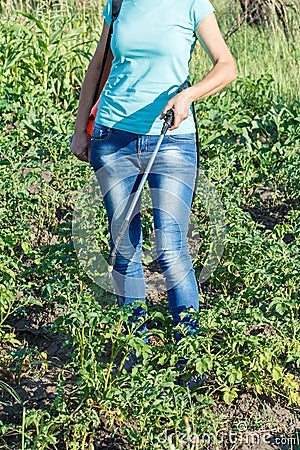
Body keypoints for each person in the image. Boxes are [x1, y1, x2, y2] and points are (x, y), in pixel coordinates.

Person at [71, 0, 236, 379]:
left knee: (171, 248)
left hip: (172, 140)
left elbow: (227, 65)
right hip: (113, 138)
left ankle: (189, 359)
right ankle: (134, 356)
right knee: (124, 243)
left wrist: (188, 96)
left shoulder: (193, 4)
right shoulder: (118, 2)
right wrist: (82, 128)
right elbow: (98, 65)